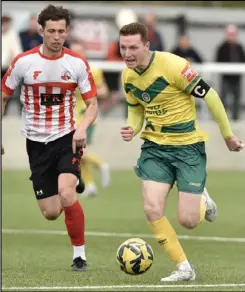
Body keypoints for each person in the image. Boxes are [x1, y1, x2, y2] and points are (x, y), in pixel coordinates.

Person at [119, 22, 244, 282]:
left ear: (146, 45)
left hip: (187, 147)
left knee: (188, 220)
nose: (127, 53)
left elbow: (210, 96)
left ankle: (202, 198)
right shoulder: (127, 76)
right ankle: (184, 267)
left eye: (133, 47)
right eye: (123, 47)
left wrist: (228, 135)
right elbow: (136, 108)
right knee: (152, 208)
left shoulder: (173, 65)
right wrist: (132, 128)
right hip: (154, 147)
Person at [1, 5, 98, 271]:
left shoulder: (77, 63)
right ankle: (70, 184)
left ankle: (79, 256)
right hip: (35, 143)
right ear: (41, 31)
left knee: (67, 194)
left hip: (66, 138)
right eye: (51, 31)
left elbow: (93, 105)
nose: (57, 36)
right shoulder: (23, 62)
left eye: (62, 31)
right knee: (51, 212)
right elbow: (3, 96)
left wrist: (82, 128)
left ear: (67, 32)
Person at [70, 39, 111, 196]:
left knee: (78, 150)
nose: (76, 54)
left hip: (86, 116)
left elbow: (104, 92)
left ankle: (101, 165)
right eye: (73, 51)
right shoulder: (66, 71)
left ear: (85, 52)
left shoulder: (93, 71)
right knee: (79, 151)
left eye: (79, 51)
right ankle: (90, 185)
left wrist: (87, 91)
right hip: (71, 116)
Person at [215, 24, 245, 120]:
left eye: (233, 34)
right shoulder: (222, 47)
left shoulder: (239, 47)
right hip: (226, 77)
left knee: (237, 98)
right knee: (224, 98)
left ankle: (235, 118)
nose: (231, 36)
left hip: (236, 77)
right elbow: (218, 61)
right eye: (230, 34)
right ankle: (223, 118)